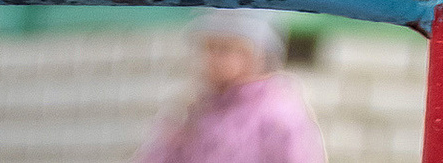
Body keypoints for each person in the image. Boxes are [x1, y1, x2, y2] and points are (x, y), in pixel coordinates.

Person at [134, 14, 323, 163]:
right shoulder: (194, 110)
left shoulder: (279, 114)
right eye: (208, 48)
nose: (211, 59)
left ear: (258, 55)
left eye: (224, 49)